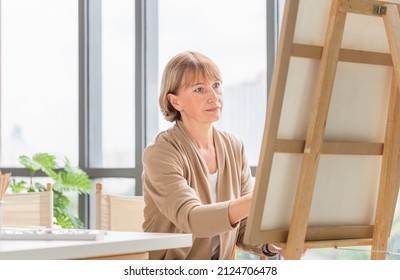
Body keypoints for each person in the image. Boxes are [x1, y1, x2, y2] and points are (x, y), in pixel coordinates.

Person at [142, 51, 284, 260]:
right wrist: (261, 199)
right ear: (175, 101)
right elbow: (192, 219)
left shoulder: (234, 147)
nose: (213, 97)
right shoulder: (160, 153)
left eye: (216, 85)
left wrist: (273, 244)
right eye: (199, 89)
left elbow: (244, 228)